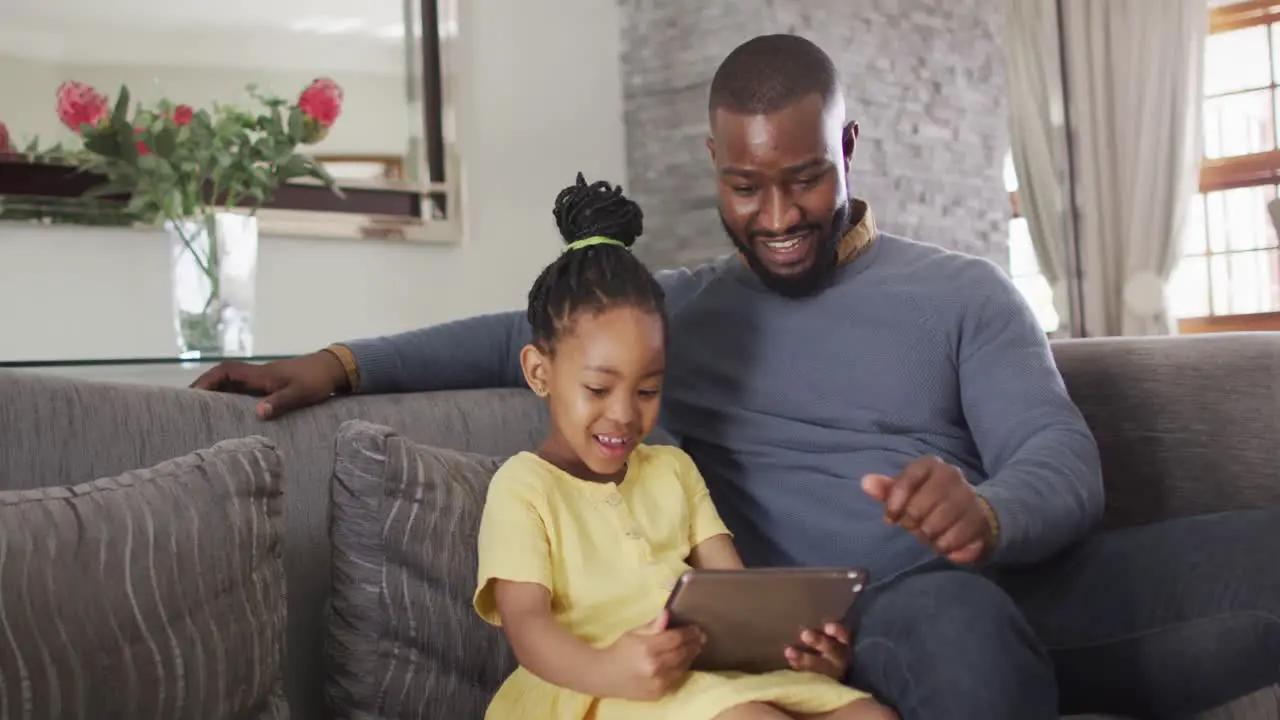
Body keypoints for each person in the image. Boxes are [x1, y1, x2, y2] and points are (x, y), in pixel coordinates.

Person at [194, 34, 1280, 720]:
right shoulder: (679, 315)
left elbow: (1060, 461)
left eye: (803, 179)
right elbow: (517, 334)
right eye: (743, 186)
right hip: (884, 618)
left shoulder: (962, 296)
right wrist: (338, 363)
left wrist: (985, 512)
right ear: (715, 166)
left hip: (1031, 579)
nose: (774, 218)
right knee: (958, 635)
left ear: (845, 146)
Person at [471, 172, 893, 720]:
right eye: (598, 388)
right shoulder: (523, 486)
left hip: (701, 680)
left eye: (647, 389)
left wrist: (799, 652)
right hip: (593, 690)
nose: (624, 413)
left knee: (871, 716)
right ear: (538, 371)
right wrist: (611, 671)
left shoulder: (672, 470)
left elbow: (739, 599)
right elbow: (527, 628)